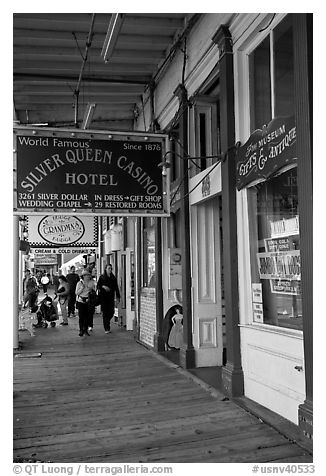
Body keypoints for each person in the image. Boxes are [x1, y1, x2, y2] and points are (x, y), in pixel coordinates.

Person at [97, 264, 120, 334]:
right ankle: (106, 328)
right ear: (105, 269)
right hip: (104, 297)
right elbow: (98, 286)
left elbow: (116, 287)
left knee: (111, 312)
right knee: (105, 312)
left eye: (111, 268)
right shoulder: (102, 277)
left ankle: (107, 321)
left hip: (111, 297)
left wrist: (118, 296)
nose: (110, 270)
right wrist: (103, 286)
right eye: (109, 268)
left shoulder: (113, 278)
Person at [75, 269, 96, 336]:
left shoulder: (91, 282)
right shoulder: (79, 283)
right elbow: (76, 293)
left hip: (88, 301)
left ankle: (85, 329)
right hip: (81, 301)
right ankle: (81, 330)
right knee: (81, 316)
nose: (88, 276)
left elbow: (93, 290)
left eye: (88, 275)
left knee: (87, 316)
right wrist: (81, 288)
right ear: (83, 276)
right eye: (86, 275)